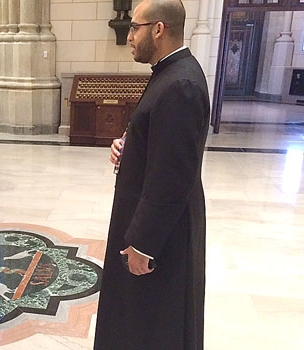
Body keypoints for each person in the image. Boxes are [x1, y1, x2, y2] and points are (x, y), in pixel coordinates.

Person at [93, 0, 210, 349]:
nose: (129, 35)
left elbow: (172, 175)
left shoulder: (180, 85)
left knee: (155, 321)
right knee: (139, 316)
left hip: (162, 235)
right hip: (154, 222)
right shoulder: (169, 74)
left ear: (158, 29)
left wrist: (144, 243)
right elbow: (159, 141)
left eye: (135, 27)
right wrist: (129, 145)